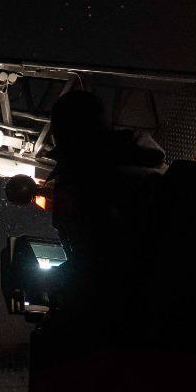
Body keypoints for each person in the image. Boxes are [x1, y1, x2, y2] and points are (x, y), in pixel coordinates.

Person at [42, 89, 167, 347]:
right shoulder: (149, 171)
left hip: (116, 329)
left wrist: (58, 282)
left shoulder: (92, 181)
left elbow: (102, 257)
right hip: (157, 317)